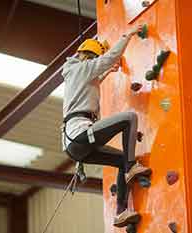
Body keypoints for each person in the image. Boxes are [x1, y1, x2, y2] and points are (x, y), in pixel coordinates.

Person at [61, 25, 152, 228]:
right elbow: (109, 58)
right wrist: (127, 35)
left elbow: (90, 82)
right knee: (129, 118)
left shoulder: (75, 73)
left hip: (76, 144)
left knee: (121, 160)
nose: (96, 63)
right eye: (95, 59)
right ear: (89, 57)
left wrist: (107, 73)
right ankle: (130, 169)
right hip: (80, 134)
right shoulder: (81, 68)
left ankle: (121, 212)